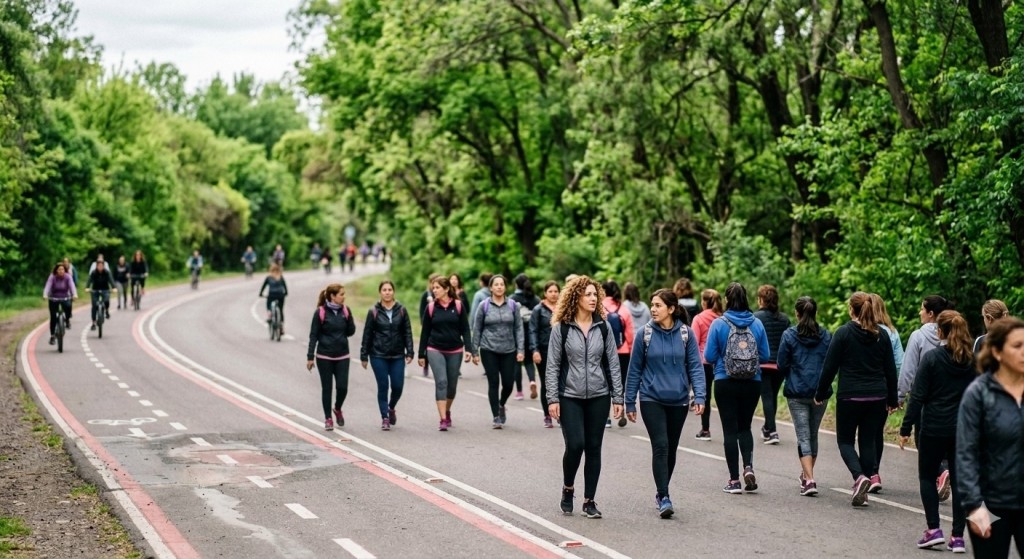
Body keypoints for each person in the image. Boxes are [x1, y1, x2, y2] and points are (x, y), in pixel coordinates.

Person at [545, 276, 624, 518]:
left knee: (594, 447)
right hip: (569, 395)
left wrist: (618, 397)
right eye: (587, 294)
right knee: (575, 444)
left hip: (599, 395)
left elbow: (613, 363)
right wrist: (552, 398)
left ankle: (589, 501)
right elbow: (552, 365)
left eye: (595, 294)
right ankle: (568, 488)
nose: (592, 298)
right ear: (575, 298)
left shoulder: (604, 327)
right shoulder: (562, 328)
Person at [624, 288, 705, 519]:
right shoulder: (644, 334)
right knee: (660, 445)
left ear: (671, 309)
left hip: (678, 399)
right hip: (651, 398)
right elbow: (634, 369)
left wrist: (700, 395)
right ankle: (664, 495)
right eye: (652, 304)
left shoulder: (686, 334)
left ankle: (662, 490)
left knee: (671, 448)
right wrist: (630, 401)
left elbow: (695, 367)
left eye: (658, 305)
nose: (653, 309)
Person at [899, 310, 974, 552]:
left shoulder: (932, 359)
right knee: (960, 481)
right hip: (963, 428)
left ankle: (933, 529)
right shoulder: (972, 361)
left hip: (933, 426)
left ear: (940, 331)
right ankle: (958, 537)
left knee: (927, 476)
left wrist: (906, 427)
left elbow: (918, 396)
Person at [814, 292, 898, 507]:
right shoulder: (882, 335)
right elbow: (890, 370)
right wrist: (892, 399)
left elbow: (829, 367)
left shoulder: (843, 333)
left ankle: (859, 477)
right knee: (868, 441)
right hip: (877, 396)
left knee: (845, 441)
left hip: (850, 396)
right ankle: (865, 482)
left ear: (852, 310)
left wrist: (820, 393)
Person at [957, 317, 1024, 557]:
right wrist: (974, 505)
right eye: (1017, 346)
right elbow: (966, 453)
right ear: (997, 352)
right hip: (991, 505)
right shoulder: (979, 394)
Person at [703, 282, 770, 494]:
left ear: (726, 300)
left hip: (725, 381)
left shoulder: (718, 324)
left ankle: (734, 481)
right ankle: (748, 467)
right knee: (745, 427)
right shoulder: (757, 324)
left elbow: (709, 356)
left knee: (729, 430)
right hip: (752, 382)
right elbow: (765, 356)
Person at [899, 295, 955, 502]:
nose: (919, 312)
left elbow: (908, 369)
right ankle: (945, 473)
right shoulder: (955, 335)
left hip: (925, 399)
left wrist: (899, 395)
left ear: (931, 313)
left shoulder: (918, 336)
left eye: (922, 309)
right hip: (951, 398)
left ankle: (941, 473)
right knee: (948, 445)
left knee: (923, 442)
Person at [776, 296, 832, 496]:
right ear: (815, 313)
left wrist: (790, 376)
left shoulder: (789, 335)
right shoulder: (826, 336)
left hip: (797, 392)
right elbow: (830, 364)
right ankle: (807, 475)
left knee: (803, 435)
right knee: (813, 433)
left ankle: (809, 479)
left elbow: (781, 364)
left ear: (797, 313)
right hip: (820, 393)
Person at [418, 276, 473, 431]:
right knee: (441, 382)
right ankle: (442, 419)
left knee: (452, 387)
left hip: (455, 350)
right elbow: (425, 332)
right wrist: (421, 354)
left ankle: (447, 410)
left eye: (437, 287)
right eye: (433, 288)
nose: (434, 290)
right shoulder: (431, 308)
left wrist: (469, 349)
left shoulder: (458, 305)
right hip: (435, 348)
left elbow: (465, 329)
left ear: (447, 289)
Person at [472, 274, 524, 428]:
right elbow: (477, 328)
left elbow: (519, 328)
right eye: (496, 284)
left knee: (508, 383)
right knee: (493, 382)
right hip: (488, 349)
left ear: (505, 287)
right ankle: (496, 416)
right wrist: (474, 351)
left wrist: (521, 349)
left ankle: (501, 404)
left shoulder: (513, 305)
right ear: (491, 288)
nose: (499, 287)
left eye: (502, 284)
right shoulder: (484, 305)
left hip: (509, 349)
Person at [360, 281, 414, 431]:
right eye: (384, 290)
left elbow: (407, 332)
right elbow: (367, 334)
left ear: (393, 292)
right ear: (380, 292)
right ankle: (385, 417)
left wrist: (410, 351)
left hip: (397, 355)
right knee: (383, 386)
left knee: (397, 386)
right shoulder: (373, 311)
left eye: (390, 289)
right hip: (378, 355)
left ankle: (391, 407)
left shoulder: (401, 310)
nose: (387, 292)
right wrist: (364, 355)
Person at [867, 293, 905, 493]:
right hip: (883, 387)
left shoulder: (862, 330)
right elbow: (899, 364)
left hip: (863, 386)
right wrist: (895, 394)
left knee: (865, 431)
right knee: (877, 432)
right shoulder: (892, 332)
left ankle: (867, 472)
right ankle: (874, 472)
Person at [305, 284, 356, 431]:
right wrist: (310, 356)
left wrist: (349, 319)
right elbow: (313, 335)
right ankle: (328, 418)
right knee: (327, 388)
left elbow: (350, 332)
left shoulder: (345, 310)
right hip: (324, 356)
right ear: (333, 296)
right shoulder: (320, 312)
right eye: (341, 294)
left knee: (342, 387)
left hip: (342, 355)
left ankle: (337, 408)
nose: (344, 297)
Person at [754, 284, 791, 445]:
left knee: (767, 396)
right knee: (772, 396)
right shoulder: (784, 319)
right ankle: (768, 427)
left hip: (763, 363)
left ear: (761, 300)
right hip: (779, 365)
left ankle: (773, 431)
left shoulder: (756, 318)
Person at [690, 288, 724, 441]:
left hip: (704, 362)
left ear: (704, 302)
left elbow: (693, 343)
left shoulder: (698, 319)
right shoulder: (722, 318)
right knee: (722, 397)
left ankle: (705, 429)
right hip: (721, 363)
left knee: (705, 396)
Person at [602, 280, 635, 427]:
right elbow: (629, 333)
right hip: (623, 351)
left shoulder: (598, 308)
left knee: (604, 382)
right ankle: (620, 409)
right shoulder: (624, 309)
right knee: (620, 382)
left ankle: (606, 417)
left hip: (604, 351)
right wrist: (630, 348)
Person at [530, 281, 559, 427]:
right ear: (545, 293)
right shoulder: (538, 310)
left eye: (556, 291)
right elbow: (533, 330)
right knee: (547, 383)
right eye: (550, 291)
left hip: (561, 351)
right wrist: (535, 350)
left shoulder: (563, 308)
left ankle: (560, 414)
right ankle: (547, 415)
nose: (553, 294)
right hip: (544, 350)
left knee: (561, 383)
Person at [510, 273, 541, 400]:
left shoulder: (512, 299)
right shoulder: (535, 299)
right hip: (531, 333)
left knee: (517, 361)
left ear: (516, 284)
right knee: (528, 360)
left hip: (517, 334)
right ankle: (532, 380)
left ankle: (519, 392)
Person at [43, 263, 77, 345]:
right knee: (53, 317)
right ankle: (52, 336)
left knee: (68, 306)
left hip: (65, 297)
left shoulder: (68, 277)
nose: (61, 271)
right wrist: (45, 294)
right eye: (59, 270)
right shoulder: (52, 277)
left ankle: (67, 320)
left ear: (65, 270)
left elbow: (72, 286)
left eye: (62, 269)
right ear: (56, 271)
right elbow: (48, 286)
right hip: (53, 298)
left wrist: (74, 294)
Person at [259, 264, 289, 334]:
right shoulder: (280, 276)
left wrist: (261, 294)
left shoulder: (268, 277)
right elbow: (285, 286)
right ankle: (281, 327)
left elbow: (263, 286)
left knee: (268, 305)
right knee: (280, 310)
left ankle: (270, 316)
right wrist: (285, 293)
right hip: (280, 295)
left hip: (271, 295)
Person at [85, 260, 115, 331]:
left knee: (106, 300)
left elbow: (111, 280)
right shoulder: (93, 272)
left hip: (105, 289)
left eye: (102, 266)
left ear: (103, 266)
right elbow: (89, 280)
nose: (100, 267)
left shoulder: (107, 272)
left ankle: (106, 310)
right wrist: (87, 287)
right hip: (95, 290)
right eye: (99, 266)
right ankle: (93, 322)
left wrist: (114, 287)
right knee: (94, 306)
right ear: (97, 266)